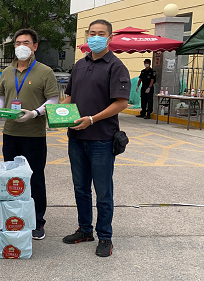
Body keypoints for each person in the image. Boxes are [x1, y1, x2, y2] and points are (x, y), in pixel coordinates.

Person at [61, 19, 130, 257]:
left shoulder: (116, 66)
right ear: (86, 36)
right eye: (92, 33)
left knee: (103, 191)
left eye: (101, 34)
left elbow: (121, 102)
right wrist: (57, 114)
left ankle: (105, 236)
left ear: (110, 38)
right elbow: (68, 97)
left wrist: (92, 119)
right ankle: (85, 229)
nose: (96, 37)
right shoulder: (79, 65)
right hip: (76, 137)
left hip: (101, 138)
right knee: (80, 188)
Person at [0, 29, 59, 240]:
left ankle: (37, 221)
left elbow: (53, 100)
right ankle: (13, 217)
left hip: (34, 133)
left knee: (35, 178)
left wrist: (35, 113)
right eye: (18, 42)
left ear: (35, 46)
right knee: (11, 178)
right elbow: (1, 96)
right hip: (11, 132)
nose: (21, 46)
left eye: (26, 43)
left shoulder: (44, 71)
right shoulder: (7, 72)